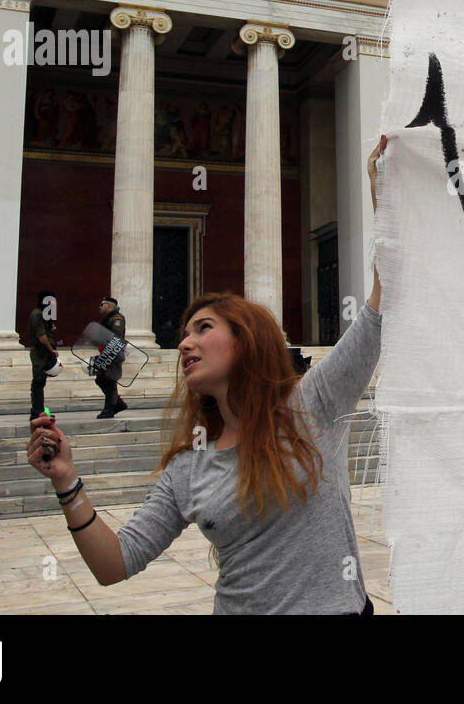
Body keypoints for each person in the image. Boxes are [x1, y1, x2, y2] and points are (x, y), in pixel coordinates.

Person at [27, 135, 389, 613]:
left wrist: (382, 192)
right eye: (183, 334)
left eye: (203, 329)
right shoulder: (189, 466)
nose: (184, 343)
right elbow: (115, 563)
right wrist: (66, 482)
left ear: (246, 341)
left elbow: (383, 301)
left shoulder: (314, 403)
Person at [94, 296, 129, 419]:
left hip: (113, 355)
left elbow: (116, 338)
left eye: (101, 304)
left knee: (109, 381)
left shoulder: (117, 319)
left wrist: (109, 354)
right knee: (101, 379)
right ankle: (118, 403)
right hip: (106, 354)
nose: (100, 307)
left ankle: (109, 409)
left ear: (108, 306)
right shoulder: (107, 319)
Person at [28, 289, 59, 420]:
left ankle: (39, 410)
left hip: (44, 351)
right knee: (38, 381)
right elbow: (41, 336)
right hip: (40, 351)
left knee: (41, 382)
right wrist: (51, 349)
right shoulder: (37, 314)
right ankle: (37, 411)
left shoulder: (43, 314)